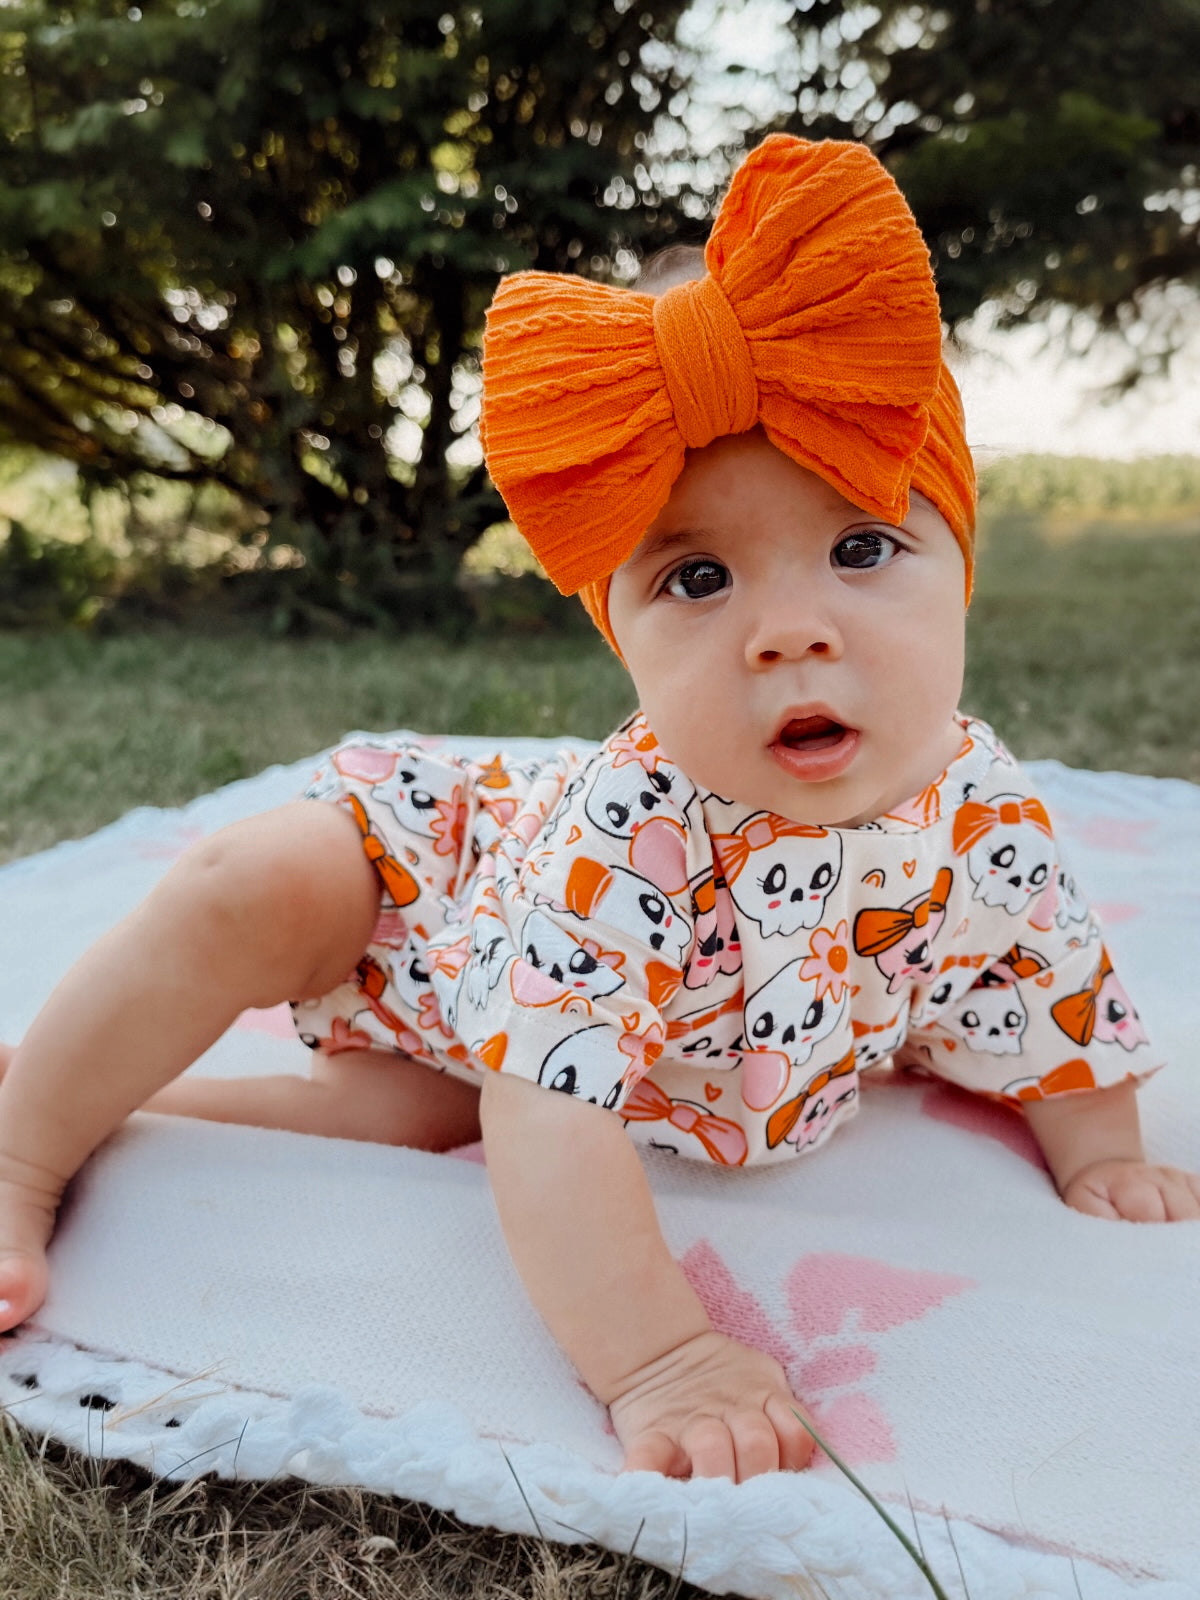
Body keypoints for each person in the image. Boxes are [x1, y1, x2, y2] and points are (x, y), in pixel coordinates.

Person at [1, 136, 1197, 1487]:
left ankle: (101, 1091)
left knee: (415, 1122)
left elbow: (1043, 979)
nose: (789, 634)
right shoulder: (628, 836)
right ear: (616, 631)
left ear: (959, 568)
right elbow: (550, 1112)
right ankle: (22, 1149)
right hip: (420, 892)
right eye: (697, 580)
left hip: (490, 1044)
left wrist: (1098, 1148)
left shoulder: (983, 812)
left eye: (862, 549)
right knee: (250, 885)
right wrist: (660, 1357)